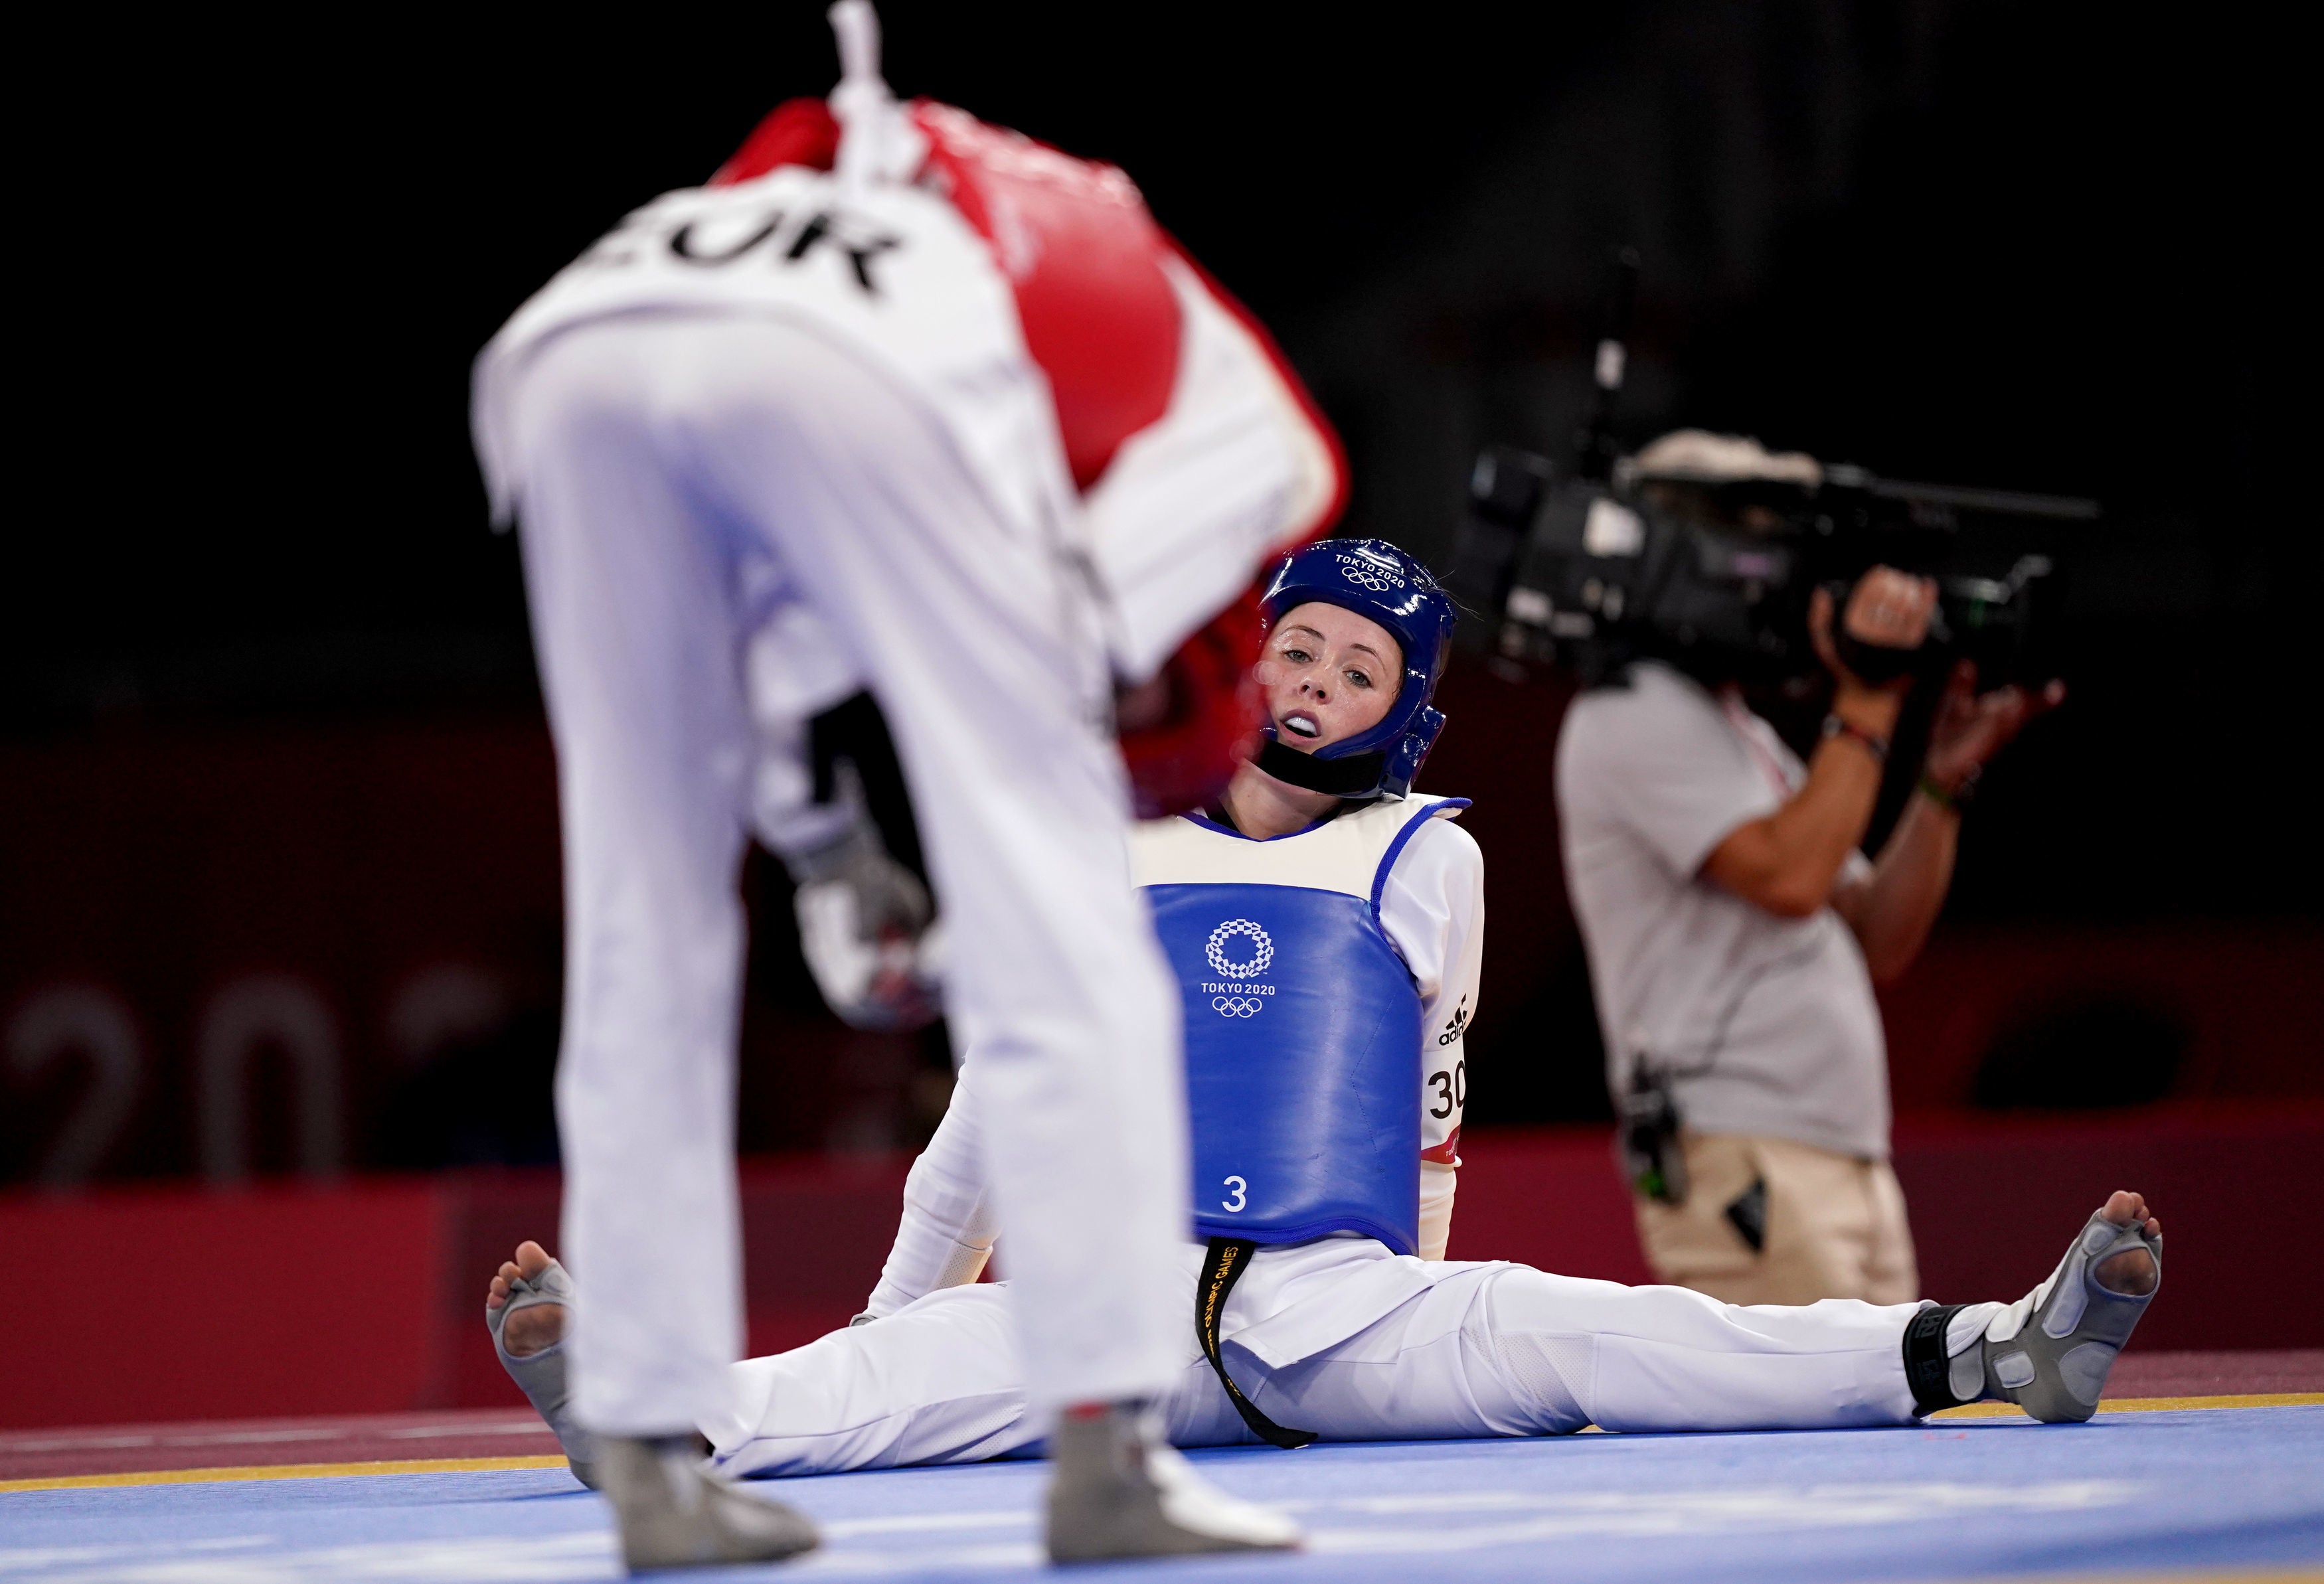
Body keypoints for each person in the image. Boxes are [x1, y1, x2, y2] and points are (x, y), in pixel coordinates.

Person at [483, 538, 2163, 1500]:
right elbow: (980, 1128)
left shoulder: (1430, 856)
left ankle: (1997, 1348)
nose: (1311, 686)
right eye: (1296, 649)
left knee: (1614, 1338)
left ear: (1405, 716)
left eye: (1356, 671)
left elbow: (1429, 1109)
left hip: (1337, 1303)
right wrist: (891, 1338)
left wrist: (1418, 1303)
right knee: (836, 1385)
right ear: (1246, 668)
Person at [468, 5, 1342, 1566]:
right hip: (849, 358)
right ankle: (1110, 1456)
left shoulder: (1039, 271)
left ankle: (660, 1462)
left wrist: (826, 853)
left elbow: (786, 627)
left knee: (642, 916)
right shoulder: (1257, 447)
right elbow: (1050, 678)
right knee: (1069, 939)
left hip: (580, 336)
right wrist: (1019, 820)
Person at [1555, 430, 2066, 1307]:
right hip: (1744, 1152)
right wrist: (1864, 702)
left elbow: (1874, 933)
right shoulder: (1630, 714)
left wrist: (1939, 781)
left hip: (1837, 1155)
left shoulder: (1734, 729)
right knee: (1818, 1439)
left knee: (1887, 1436)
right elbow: (1792, 878)